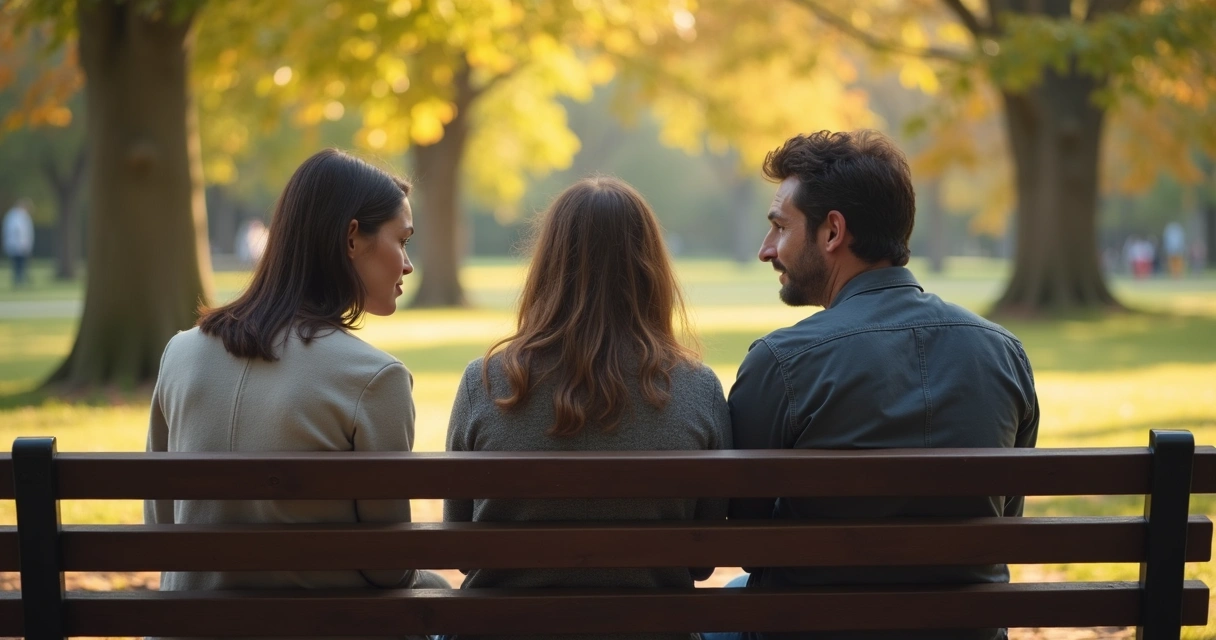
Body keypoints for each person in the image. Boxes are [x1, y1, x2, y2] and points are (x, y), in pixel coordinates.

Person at [720, 131, 1039, 640]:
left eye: (780, 227)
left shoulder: (781, 362)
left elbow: (744, 537)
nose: (766, 250)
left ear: (832, 233)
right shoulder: (1002, 353)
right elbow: (1002, 522)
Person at [145, 149, 449, 621]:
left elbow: (162, 528)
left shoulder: (180, 353)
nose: (407, 264)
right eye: (402, 240)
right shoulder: (375, 379)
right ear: (352, 238)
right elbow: (389, 569)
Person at [444, 176, 732, 640]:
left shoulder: (485, 382)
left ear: (547, 265)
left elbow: (464, 551)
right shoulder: (698, 388)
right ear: (650, 268)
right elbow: (700, 562)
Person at [3, 198, 34, 287]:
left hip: (18, 245)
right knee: (18, 264)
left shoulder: (16, 215)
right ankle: (19, 281)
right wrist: (23, 244)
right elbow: (18, 231)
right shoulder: (17, 216)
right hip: (18, 245)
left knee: (20, 265)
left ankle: (20, 280)